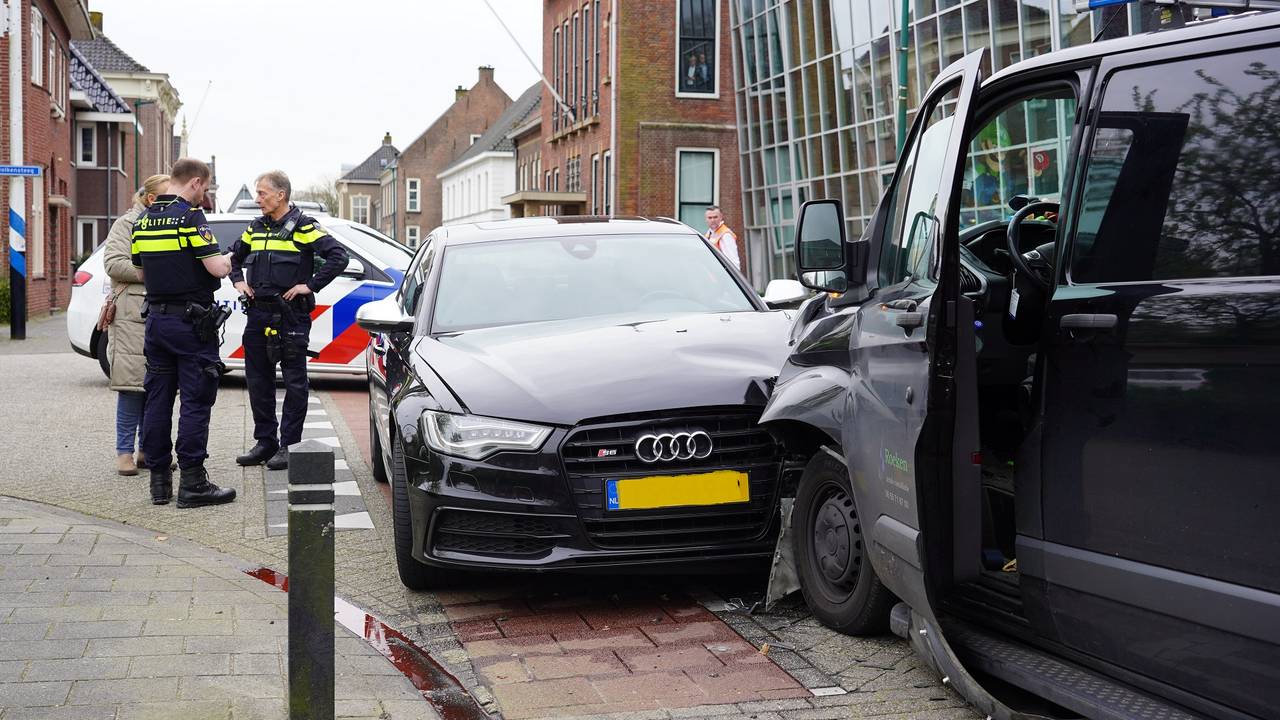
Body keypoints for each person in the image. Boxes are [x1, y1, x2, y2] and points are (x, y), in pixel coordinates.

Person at [131, 158, 237, 508]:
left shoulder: (142, 221)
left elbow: (141, 271)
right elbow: (216, 267)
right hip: (191, 325)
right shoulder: (190, 218)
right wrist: (231, 259)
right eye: (204, 189)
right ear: (194, 182)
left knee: (157, 398)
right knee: (195, 398)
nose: (203, 196)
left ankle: (159, 483)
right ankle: (193, 483)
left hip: (156, 323)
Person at [230, 170, 348, 471]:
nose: (257, 199)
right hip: (258, 314)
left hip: (290, 315)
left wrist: (310, 285)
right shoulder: (254, 228)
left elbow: (338, 257)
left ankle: (289, 445)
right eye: (257, 193)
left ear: (280, 195)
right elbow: (234, 257)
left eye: (262, 193)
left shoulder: (304, 226)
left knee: (295, 383)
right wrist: (237, 281)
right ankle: (265, 442)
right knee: (258, 381)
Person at [103, 174, 169, 476]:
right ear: (152, 198)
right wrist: (153, 272)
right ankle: (123, 452)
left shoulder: (170, 223)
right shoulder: (127, 224)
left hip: (160, 309)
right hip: (132, 311)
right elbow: (114, 263)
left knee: (156, 386)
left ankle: (148, 450)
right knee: (131, 386)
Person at [704, 206, 742, 273]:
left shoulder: (726, 235)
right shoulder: (709, 233)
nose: (712, 220)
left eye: (715, 217)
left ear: (721, 217)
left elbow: (733, 260)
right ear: (706, 219)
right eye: (710, 218)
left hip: (722, 274)